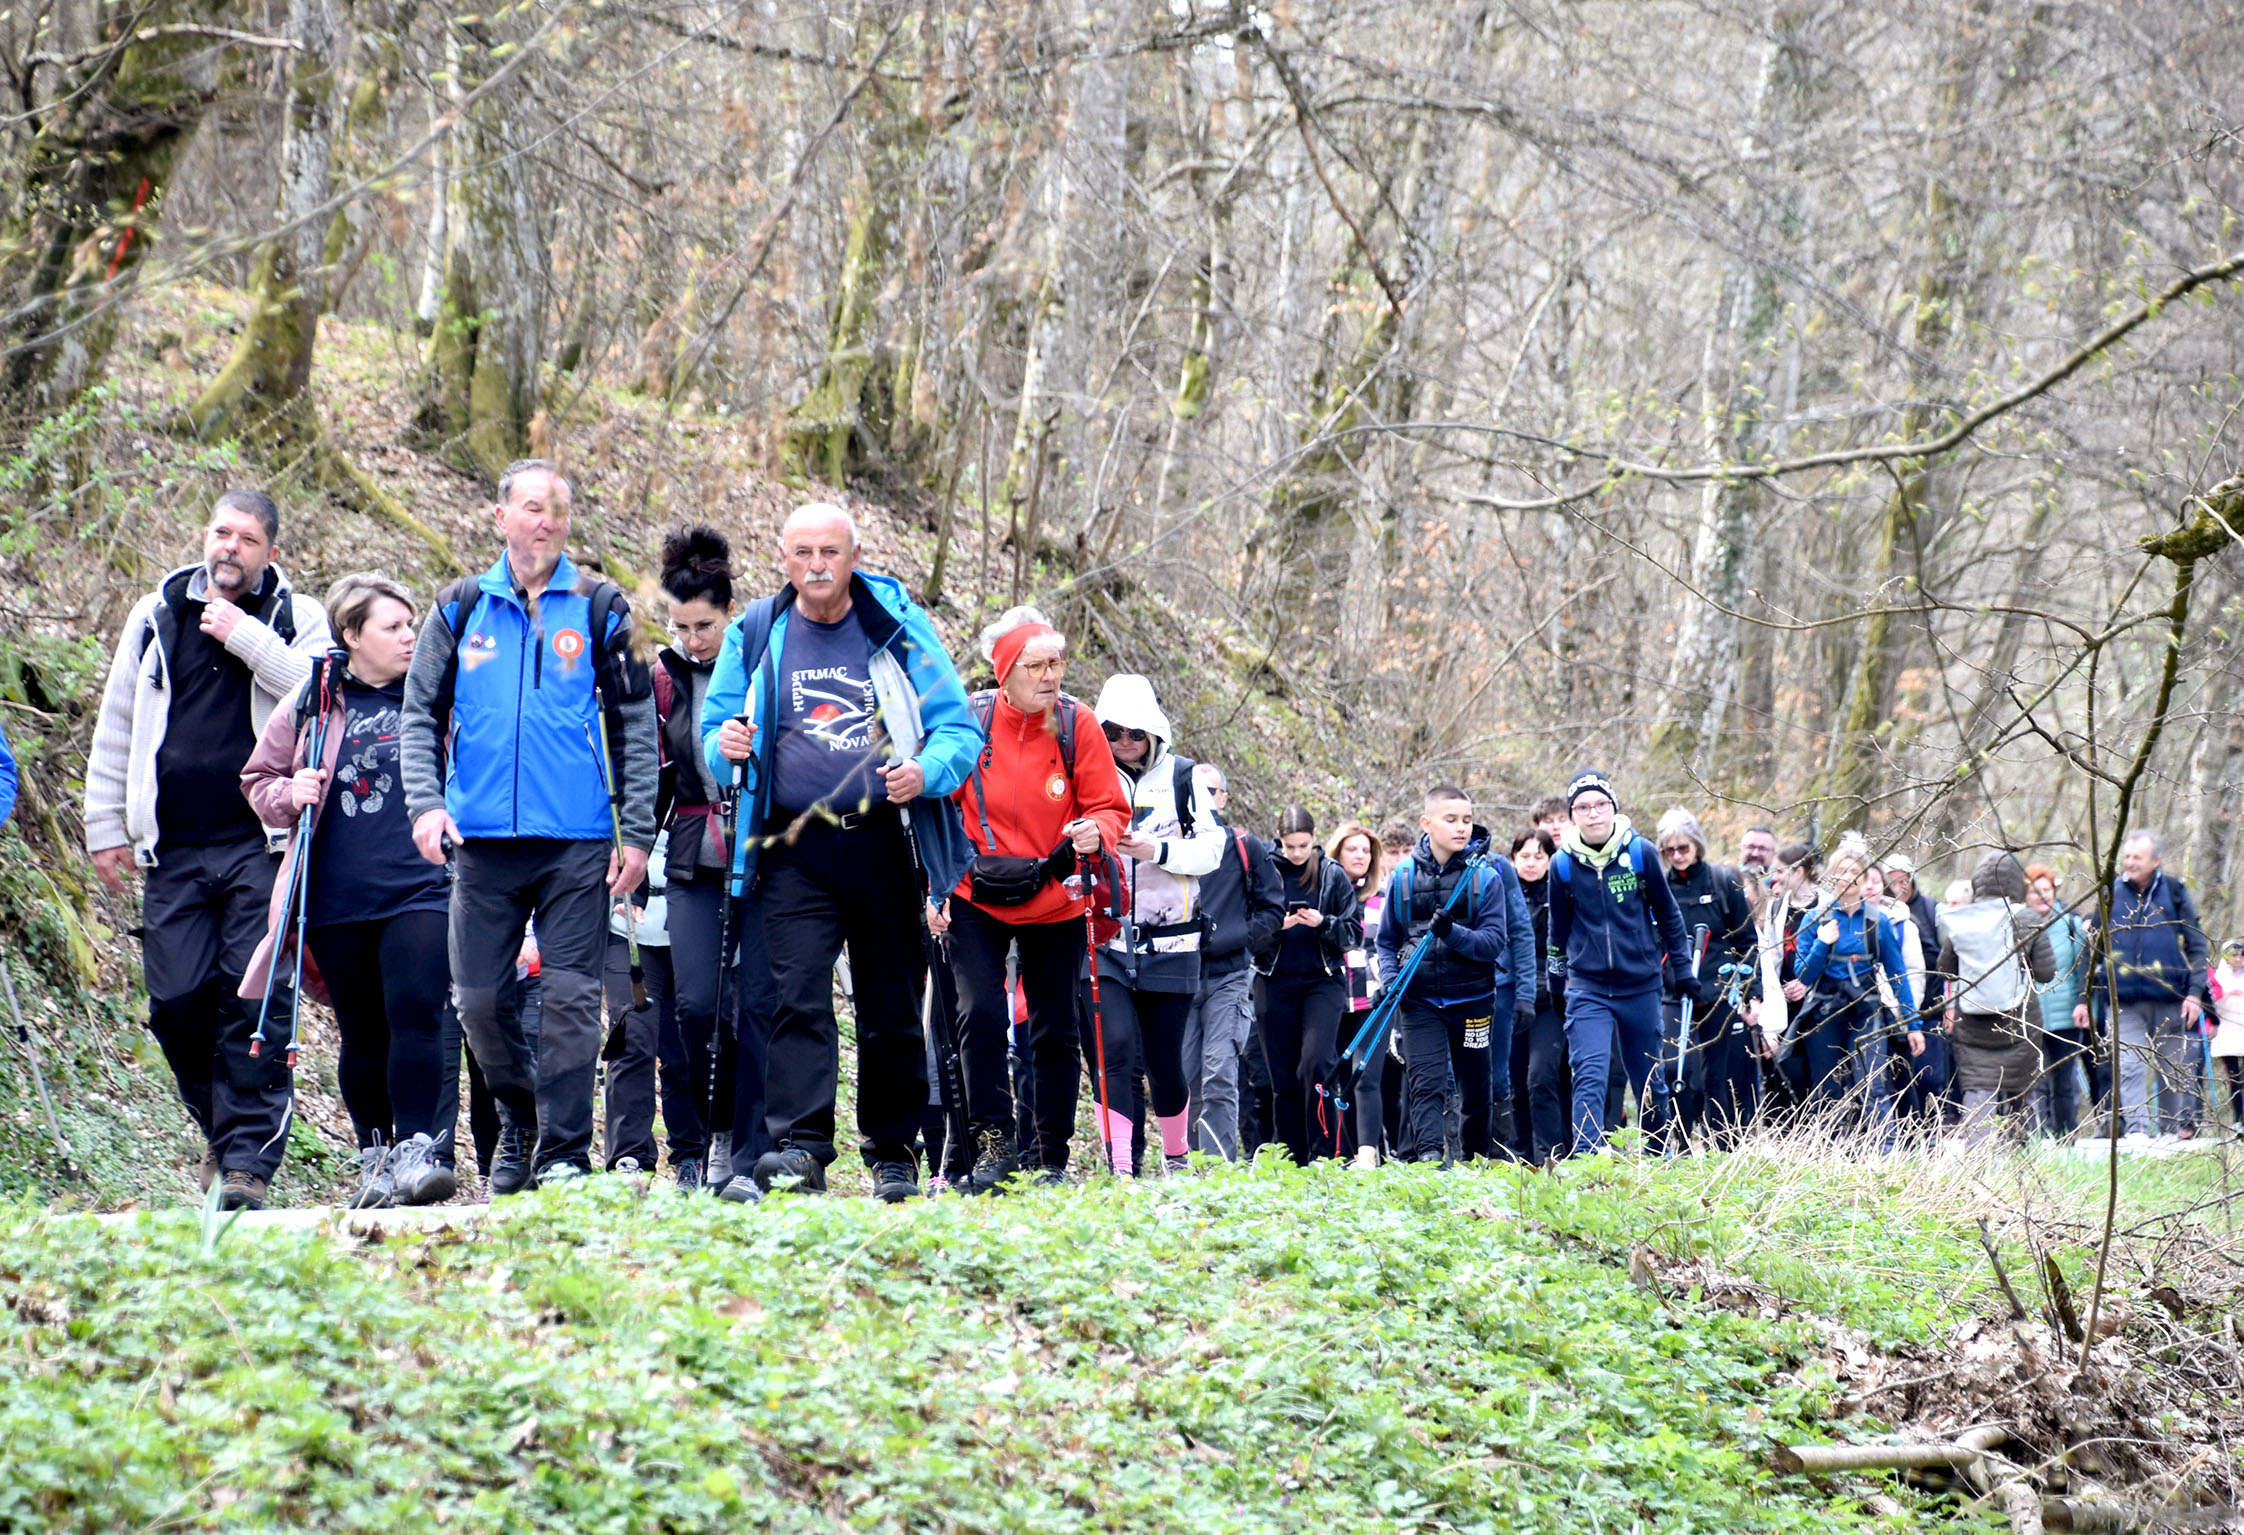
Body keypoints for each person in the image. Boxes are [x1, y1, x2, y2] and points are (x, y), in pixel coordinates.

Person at [704, 503, 979, 1197]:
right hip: (792, 845)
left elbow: (958, 729)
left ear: (855, 556)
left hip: (883, 839)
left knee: (890, 1005)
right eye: (803, 552)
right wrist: (722, 745)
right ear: (783, 557)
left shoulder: (898, 627)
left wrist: (926, 771)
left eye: (830, 551)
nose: (817, 565)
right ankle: (801, 1148)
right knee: (795, 996)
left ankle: (894, 1152)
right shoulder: (756, 631)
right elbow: (715, 731)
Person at [400, 459, 658, 1192]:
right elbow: (418, 714)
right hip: (481, 841)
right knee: (479, 1001)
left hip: (579, 840)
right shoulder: (458, 608)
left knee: (572, 1001)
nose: (545, 522)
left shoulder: (602, 607)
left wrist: (636, 833)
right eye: (532, 507)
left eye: (557, 510)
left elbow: (636, 724)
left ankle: (565, 1153)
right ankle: (521, 1116)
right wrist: (426, 803)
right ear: (501, 516)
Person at [85, 489, 331, 1210]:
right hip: (173, 847)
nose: (231, 547)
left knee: (251, 1000)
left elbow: (319, 693)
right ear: (205, 535)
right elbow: (118, 722)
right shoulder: (156, 612)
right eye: (223, 532)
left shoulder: (297, 617)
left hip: (262, 844)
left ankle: (248, 1161)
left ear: (271, 552)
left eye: (248, 539)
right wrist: (104, 826)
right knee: (175, 1003)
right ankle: (223, 1133)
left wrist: (245, 636)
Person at [241, 573, 455, 1207]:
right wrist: (291, 792)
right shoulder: (314, 698)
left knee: (417, 1011)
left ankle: (418, 1151)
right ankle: (375, 1161)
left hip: (422, 884)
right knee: (363, 1029)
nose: (409, 636)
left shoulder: (437, 696)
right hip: (337, 893)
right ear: (352, 635)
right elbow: (258, 778)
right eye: (393, 627)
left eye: (412, 625)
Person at [936, 607, 1129, 1190]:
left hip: (1055, 894)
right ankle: (993, 1148)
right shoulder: (970, 720)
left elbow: (1109, 805)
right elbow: (940, 807)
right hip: (975, 891)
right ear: (1004, 672)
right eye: (1036, 666)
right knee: (980, 1015)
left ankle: (1049, 1157)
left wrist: (1097, 831)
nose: (1051, 676)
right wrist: (934, 887)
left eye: (1056, 663)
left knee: (1055, 1029)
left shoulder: (1078, 723)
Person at [643, 524, 756, 1195]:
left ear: (729, 614)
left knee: (756, 1004)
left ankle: (754, 1145)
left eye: (704, 625)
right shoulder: (663, 680)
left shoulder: (762, 668)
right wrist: (630, 855)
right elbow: (652, 781)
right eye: (680, 627)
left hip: (764, 857)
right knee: (695, 1006)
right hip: (691, 857)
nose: (693, 639)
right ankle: (712, 1134)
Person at [1082, 674, 1225, 1174]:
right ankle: (1121, 1165)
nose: (1124, 742)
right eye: (1113, 732)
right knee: (1115, 1051)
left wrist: (1157, 849)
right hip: (1103, 941)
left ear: (1154, 733)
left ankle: (1176, 1155)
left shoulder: (1184, 778)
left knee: (1165, 1061)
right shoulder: (1085, 774)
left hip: (1173, 943)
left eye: (1135, 733)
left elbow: (1212, 850)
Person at [1373, 785, 1518, 1165]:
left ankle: (1474, 1161)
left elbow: (1493, 943)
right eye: (1451, 819)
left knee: (1476, 1092)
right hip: (1420, 1002)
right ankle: (1430, 1164)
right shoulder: (1403, 877)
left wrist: (1452, 933)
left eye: (1467, 820)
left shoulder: (1486, 877)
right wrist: (1391, 981)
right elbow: (1386, 941)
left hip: (1474, 1001)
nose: (1461, 827)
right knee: (1426, 1087)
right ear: (1427, 823)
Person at [1545, 771, 1688, 1156]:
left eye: (1600, 805)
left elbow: (1669, 915)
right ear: (1572, 815)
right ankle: (1587, 1160)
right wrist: (1556, 983)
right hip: (1587, 986)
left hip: (1640, 984)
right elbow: (1557, 930)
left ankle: (1658, 1155)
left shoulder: (1641, 853)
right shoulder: (1561, 865)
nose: (1593, 814)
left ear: (1614, 808)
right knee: (1589, 1074)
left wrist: (1683, 969)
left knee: (1649, 1080)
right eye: (1583, 808)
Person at [1183, 763, 1284, 1160]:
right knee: (1185, 1077)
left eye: (1210, 792)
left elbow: (1273, 909)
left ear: (1223, 798)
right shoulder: (1167, 846)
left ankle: (1218, 1168)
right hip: (1177, 977)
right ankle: (1189, 1166)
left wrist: (1236, 937)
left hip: (1229, 976)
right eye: (1194, 791)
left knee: (1219, 1073)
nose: (1202, 799)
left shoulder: (1244, 846)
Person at [1253, 806, 1362, 1163]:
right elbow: (1247, 934)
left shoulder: (1332, 873)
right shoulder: (1264, 871)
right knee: (1281, 1078)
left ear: (1315, 838)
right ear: (1279, 841)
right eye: (1290, 846)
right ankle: (1292, 1158)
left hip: (1323, 981)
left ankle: (1326, 1154)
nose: (1297, 853)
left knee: (1316, 1065)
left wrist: (1322, 923)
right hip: (1273, 980)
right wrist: (1276, 927)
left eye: (1303, 845)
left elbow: (1354, 934)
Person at [1794, 834, 1921, 1141]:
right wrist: (1823, 943)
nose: (1849, 877)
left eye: (1855, 872)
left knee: (1872, 1083)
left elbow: (1898, 975)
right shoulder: (1814, 919)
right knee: (1826, 1088)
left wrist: (1912, 1024)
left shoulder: (1878, 922)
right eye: (1842, 871)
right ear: (1832, 876)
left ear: (1865, 879)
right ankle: (1826, 1153)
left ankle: (1884, 1150)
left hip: (1866, 1011)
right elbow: (1803, 976)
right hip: (1824, 1012)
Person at [2094, 829, 2210, 1139]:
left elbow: (2197, 946)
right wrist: (2084, 996)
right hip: (2123, 1001)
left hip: (2170, 998)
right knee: (2130, 1066)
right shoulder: (2110, 892)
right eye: (2127, 856)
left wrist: (2194, 994)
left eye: (2137, 857)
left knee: (2171, 1070)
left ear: (2155, 861)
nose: (2130, 862)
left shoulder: (2174, 891)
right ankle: (2137, 1134)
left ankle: (2170, 1135)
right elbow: (2092, 948)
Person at [1934, 851, 2056, 1144]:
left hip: (1972, 1026)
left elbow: (1945, 971)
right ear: (2016, 883)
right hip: (2019, 1025)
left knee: (1978, 1091)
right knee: (2022, 1092)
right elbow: (2046, 973)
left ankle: (1979, 1157)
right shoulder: (2027, 918)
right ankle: (2022, 1154)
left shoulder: (1963, 920)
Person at [1654, 808, 1757, 1146]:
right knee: (1676, 1069)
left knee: (1719, 1076)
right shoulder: (1659, 886)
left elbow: (1746, 941)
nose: (1677, 856)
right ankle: (1681, 1143)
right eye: (1669, 850)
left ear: (1696, 845)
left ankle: (1722, 1148)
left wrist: (1752, 992)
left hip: (1718, 991)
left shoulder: (1722, 882)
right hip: (1674, 993)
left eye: (1683, 848)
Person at [1508, 827, 1569, 1162]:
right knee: (1513, 1082)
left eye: (1538, 856)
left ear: (1550, 860)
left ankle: (1551, 1155)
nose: (1531, 863)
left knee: (1541, 1077)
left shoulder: (1560, 894)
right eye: (1524, 856)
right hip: (1509, 998)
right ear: (1513, 858)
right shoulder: (1501, 894)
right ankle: (1519, 1157)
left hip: (1550, 1001)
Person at [2022, 864, 2091, 1136]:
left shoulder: (2070, 924)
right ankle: (2035, 1140)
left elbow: (2083, 966)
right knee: (2034, 1082)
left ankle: (2066, 1139)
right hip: (2030, 1016)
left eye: (2047, 890)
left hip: (2066, 1016)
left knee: (2064, 1082)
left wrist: (2082, 1002)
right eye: (2035, 891)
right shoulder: (2018, 925)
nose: (2042, 896)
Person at [2206, 939, 2244, 1134]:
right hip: (2227, 1032)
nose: (2238, 959)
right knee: (2234, 1079)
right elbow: (2211, 1002)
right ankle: (2238, 1120)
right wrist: (2227, 994)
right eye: (2234, 955)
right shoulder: (2218, 978)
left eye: (2241, 955)